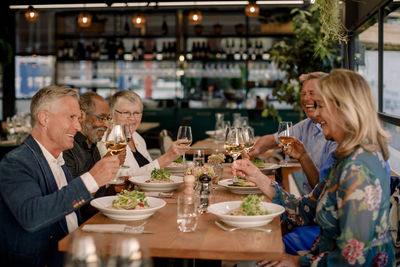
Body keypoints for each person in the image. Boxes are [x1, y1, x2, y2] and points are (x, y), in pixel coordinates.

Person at [233, 69, 395, 266]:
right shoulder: (344, 158)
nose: (316, 114)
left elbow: (352, 261)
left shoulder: (357, 170)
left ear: (343, 109)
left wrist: (297, 261)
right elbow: (305, 210)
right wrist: (257, 176)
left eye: (321, 106)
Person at [0, 85, 120, 267]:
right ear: (44, 118)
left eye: (79, 119)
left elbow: (68, 216)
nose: (78, 126)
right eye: (71, 117)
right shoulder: (15, 163)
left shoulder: (58, 161)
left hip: (74, 254)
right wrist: (91, 179)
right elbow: (32, 216)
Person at [246, 72, 337, 194]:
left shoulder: (337, 138)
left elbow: (322, 192)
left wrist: (303, 156)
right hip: (306, 204)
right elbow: (272, 140)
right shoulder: (307, 124)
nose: (305, 98)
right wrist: (254, 151)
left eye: (311, 93)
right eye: (303, 94)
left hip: (314, 208)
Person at [63, 92, 126, 222]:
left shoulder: (92, 145)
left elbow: (97, 198)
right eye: (101, 118)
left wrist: (113, 190)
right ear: (82, 115)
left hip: (99, 218)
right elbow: (73, 203)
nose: (106, 125)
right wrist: (104, 166)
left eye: (108, 119)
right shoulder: (67, 148)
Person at [98, 90, 190, 176]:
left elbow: (149, 173)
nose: (132, 118)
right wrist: (166, 158)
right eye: (126, 112)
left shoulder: (137, 137)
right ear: (112, 114)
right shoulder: (106, 140)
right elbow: (120, 177)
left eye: (137, 113)